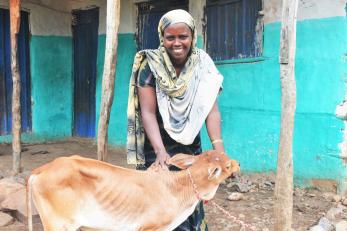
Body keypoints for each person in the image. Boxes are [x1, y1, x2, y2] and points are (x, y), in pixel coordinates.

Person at [127, 9, 224, 231]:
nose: (177, 43)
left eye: (183, 37)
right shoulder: (150, 65)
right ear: (163, 38)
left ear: (192, 37)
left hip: (191, 145)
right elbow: (148, 113)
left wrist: (218, 147)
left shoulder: (203, 64)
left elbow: (211, 111)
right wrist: (161, 152)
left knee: (191, 196)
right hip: (157, 143)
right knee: (162, 204)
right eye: (170, 37)